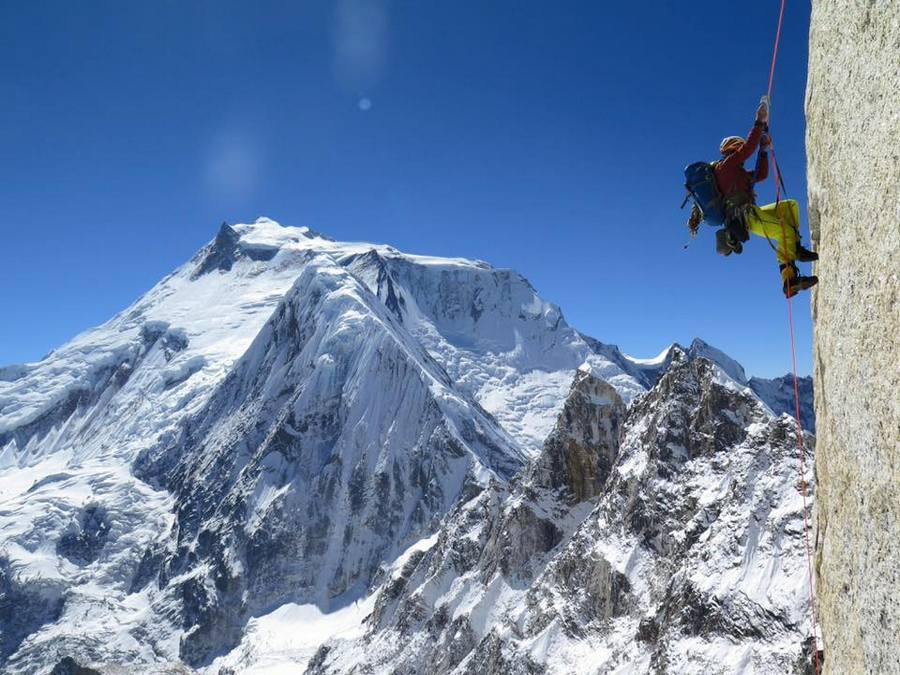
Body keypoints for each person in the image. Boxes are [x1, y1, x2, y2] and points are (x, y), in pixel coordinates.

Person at [688, 100, 818, 298]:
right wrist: (759, 123)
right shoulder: (726, 167)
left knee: (789, 207)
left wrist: (763, 150)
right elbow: (748, 149)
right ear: (733, 148)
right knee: (784, 230)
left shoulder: (736, 174)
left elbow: (761, 174)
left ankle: (796, 249)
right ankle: (789, 280)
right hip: (747, 217)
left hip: (751, 214)